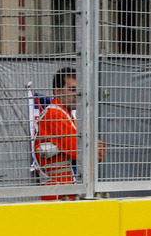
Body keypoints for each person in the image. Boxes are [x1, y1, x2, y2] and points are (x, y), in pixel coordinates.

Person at [33, 67, 104, 200]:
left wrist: (93, 147)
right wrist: (95, 146)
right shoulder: (54, 115)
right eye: (71, 89)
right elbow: (80, 150)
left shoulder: (67, 115)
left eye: (78, 91)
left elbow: (91, 152)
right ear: (57, 91)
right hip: (58, 194)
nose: (76, 95)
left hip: (66, 192)